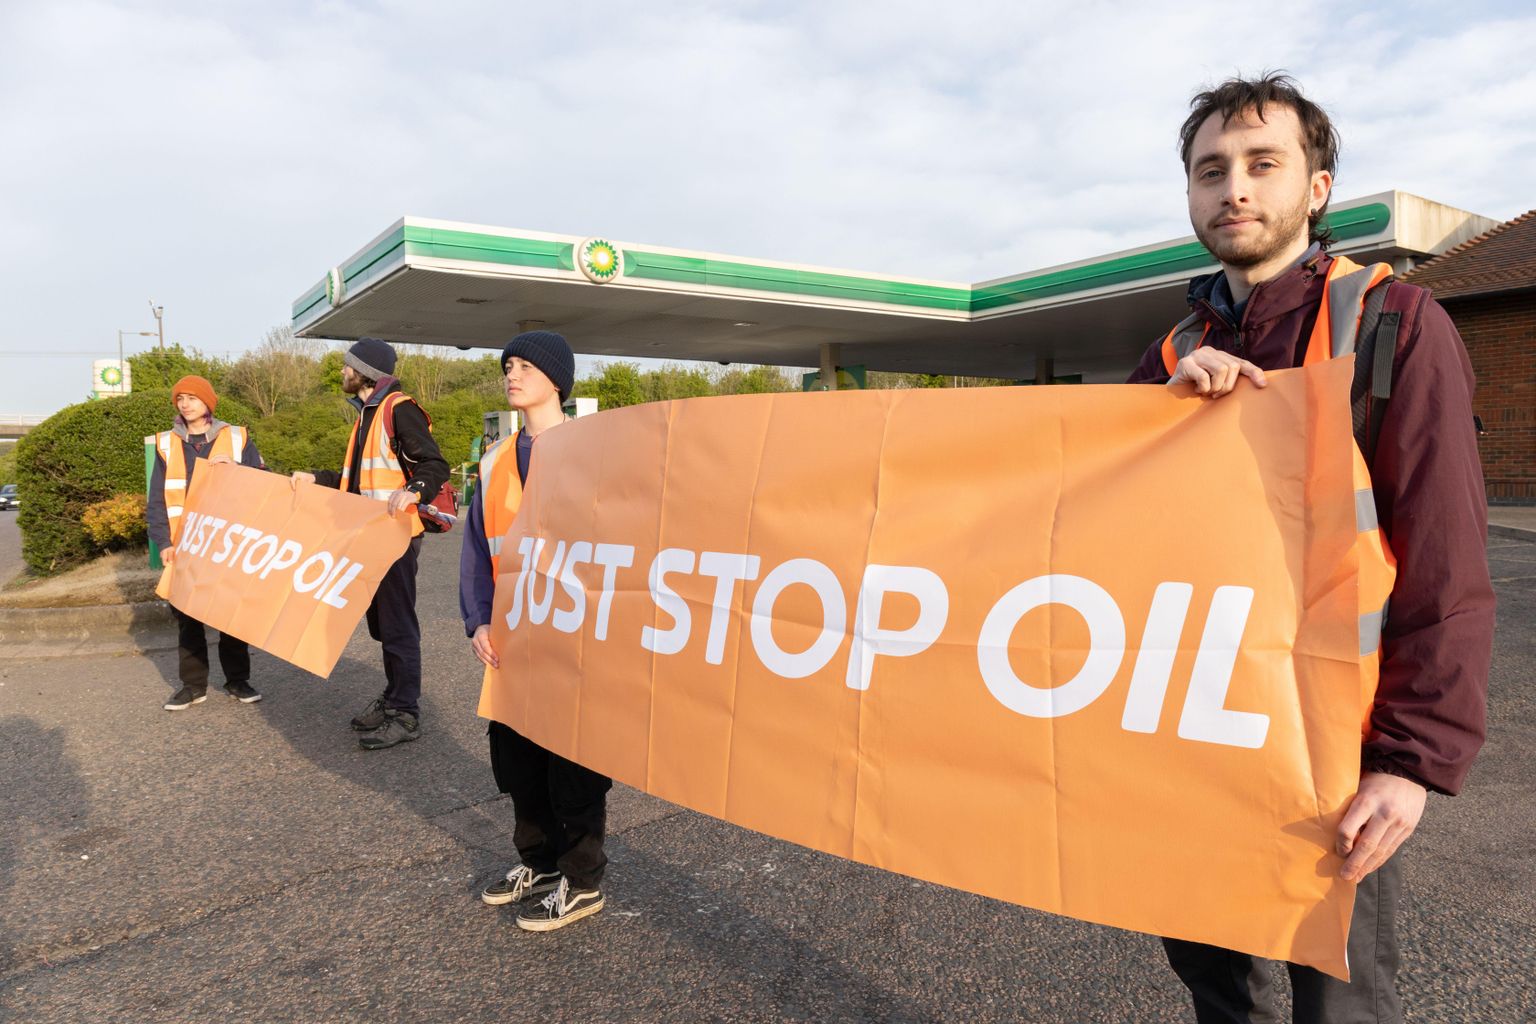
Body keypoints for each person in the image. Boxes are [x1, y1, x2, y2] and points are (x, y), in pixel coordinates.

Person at [1127, 73, 1496, 1022]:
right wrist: (1156, 419)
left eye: (1262, 164)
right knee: (1217, 987)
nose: (1235, 189)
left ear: (1317, 188)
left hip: (1335, 749)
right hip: (1191, 732)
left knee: (1337, 1002)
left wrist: (1409, 761)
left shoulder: (1394, 325)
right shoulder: (1166, 356)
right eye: (1211, 171)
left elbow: (1445, 556)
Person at [460, 330, 613, 932]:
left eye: (524, 366)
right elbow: (476, 550)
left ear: (557, 381)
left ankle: (582, 879)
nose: (511, 374)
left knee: (573, 760)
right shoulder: (496, 458)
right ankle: (540, 864)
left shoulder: (595, 451)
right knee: (518, 760)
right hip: (513, 639)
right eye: (507, 366)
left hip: (575, 638)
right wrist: (477, 620)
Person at [291, 338, 449, 750]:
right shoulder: (368, 415)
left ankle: (405, 713)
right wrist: (316, 477)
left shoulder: (398, 409)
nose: (342, 371)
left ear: (365, 372)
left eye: (348, 366)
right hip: (372, 535)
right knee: (382, 626)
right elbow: (357, 481)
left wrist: (414, 490)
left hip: (394, 535)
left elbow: (434, 464)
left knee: (397, 627)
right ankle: (395, 695)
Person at [146, 375, 266, 711]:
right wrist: (163, 541)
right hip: (184, 544)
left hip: (228, 543)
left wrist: (239, 468)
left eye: (192, 398)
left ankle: (237, 680)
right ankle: (193, 686)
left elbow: (264, 480)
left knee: (231, 613)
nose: (185, 404)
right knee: (187, 616)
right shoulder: (167, 443)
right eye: (180, 398)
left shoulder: (237, 438)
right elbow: (157, 499)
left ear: (208, 403)